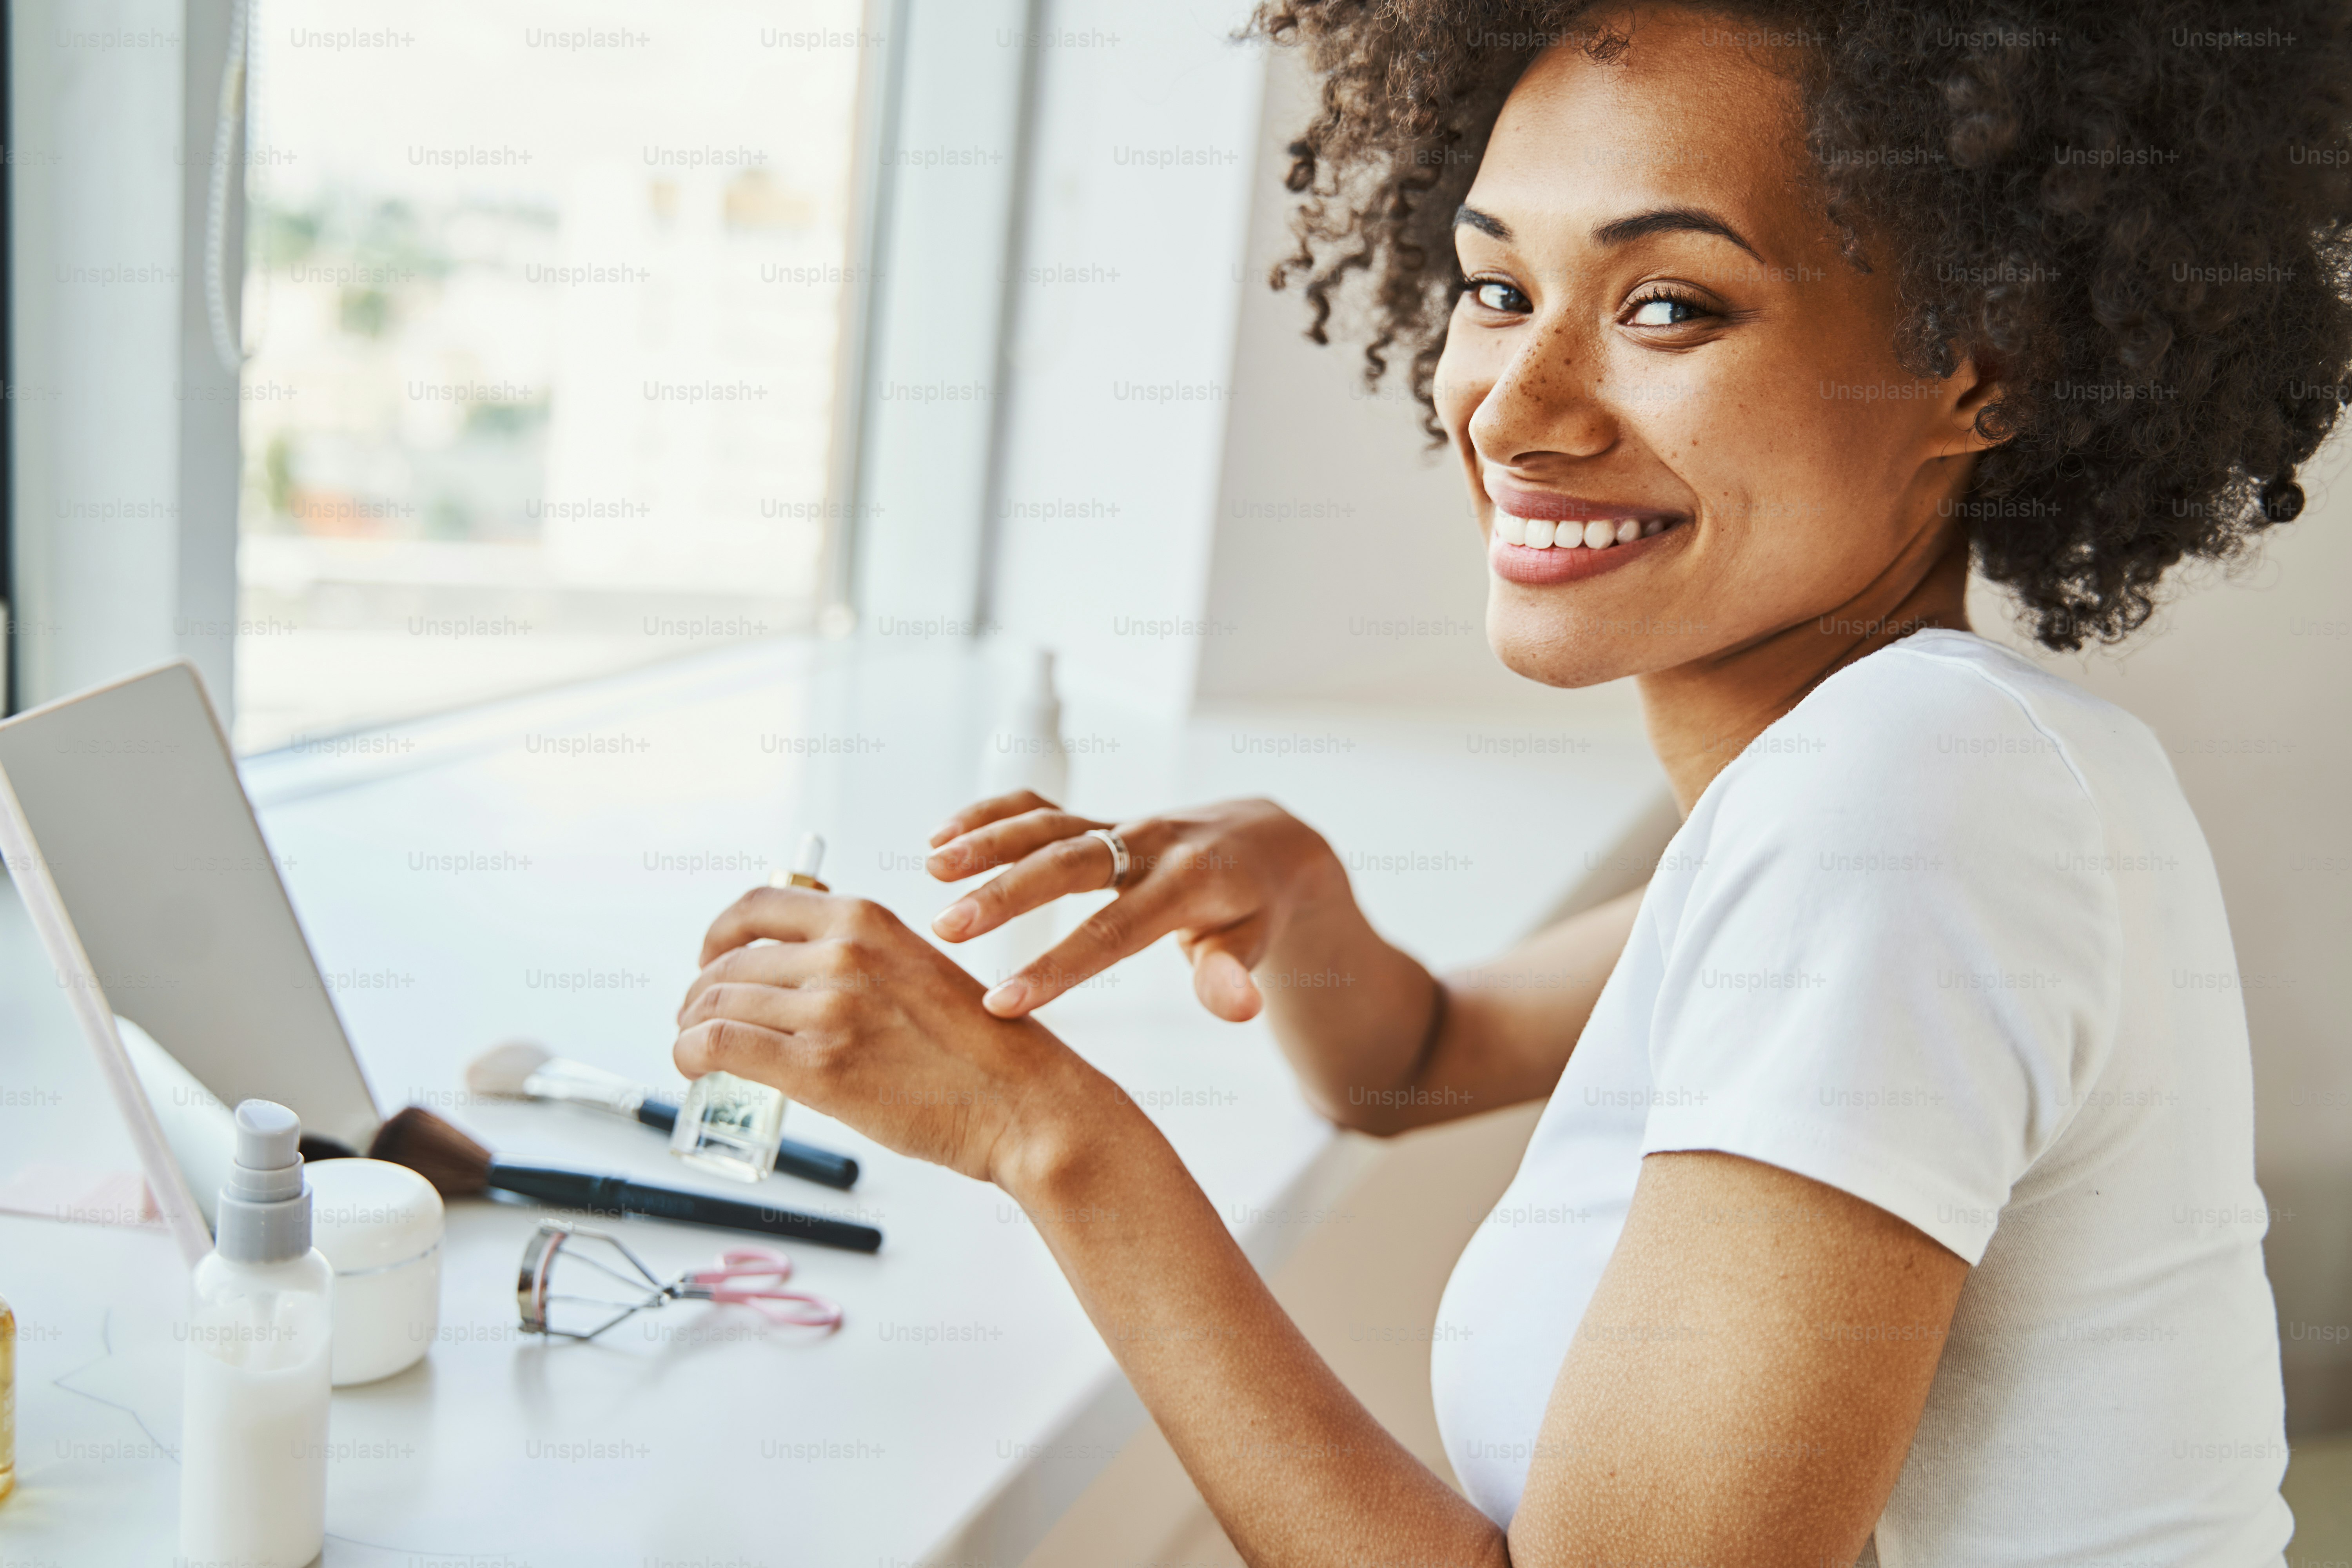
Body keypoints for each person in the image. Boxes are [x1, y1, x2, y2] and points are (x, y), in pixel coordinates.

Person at [674, 5, 2351, 1562]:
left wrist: (1036, 1129)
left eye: (1670, 306)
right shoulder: (1915, 772)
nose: (1518, 412)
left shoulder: (1913, 804)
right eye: (1496, 290)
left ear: (1980, 367)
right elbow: (1415, 1058)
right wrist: (1302, 895)